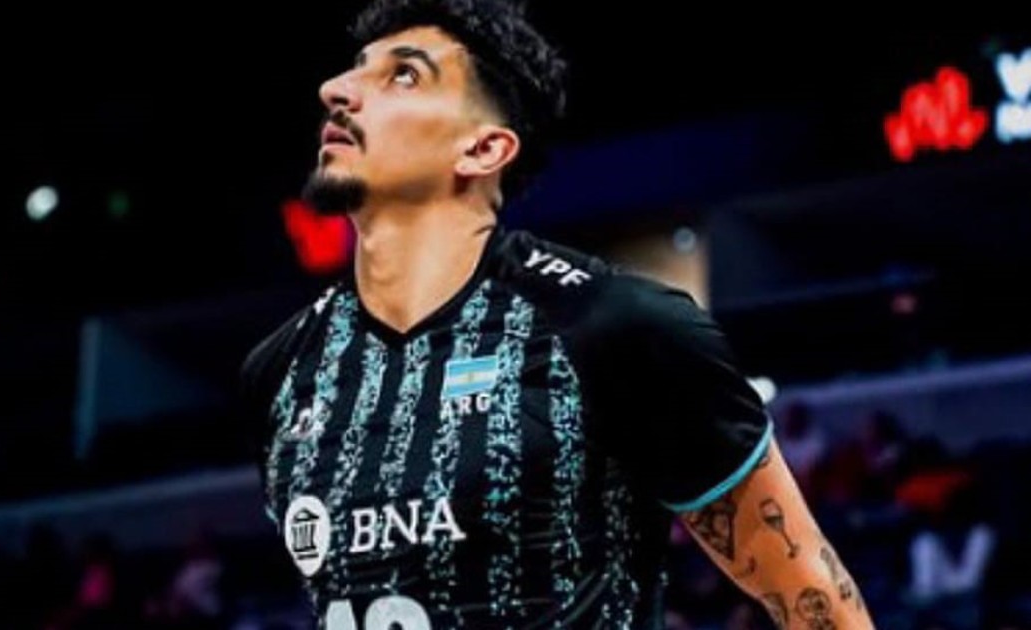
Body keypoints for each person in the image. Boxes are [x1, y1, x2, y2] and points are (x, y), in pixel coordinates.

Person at [238, 0, 875, 627]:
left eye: (403, 75)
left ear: (484, 149)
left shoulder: (610, 326)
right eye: (355, 68)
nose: (335, 89)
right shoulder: (282, 372)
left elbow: (812, 593)